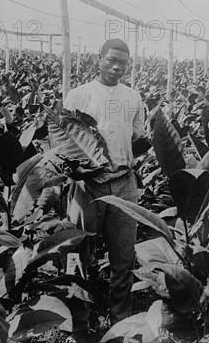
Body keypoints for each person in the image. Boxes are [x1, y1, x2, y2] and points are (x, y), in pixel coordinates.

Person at [63, 38, 144, 326]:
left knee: (124, 257)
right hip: (87, 185)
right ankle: (78, 322)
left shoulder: (133, 97)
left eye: (122, 62)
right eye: (111, 59)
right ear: (98, 58)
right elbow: (63, 142)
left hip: (124, 181)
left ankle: (120, 319)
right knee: (77, 254)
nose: (116, 66)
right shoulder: (78, 95)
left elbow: (138, 139)